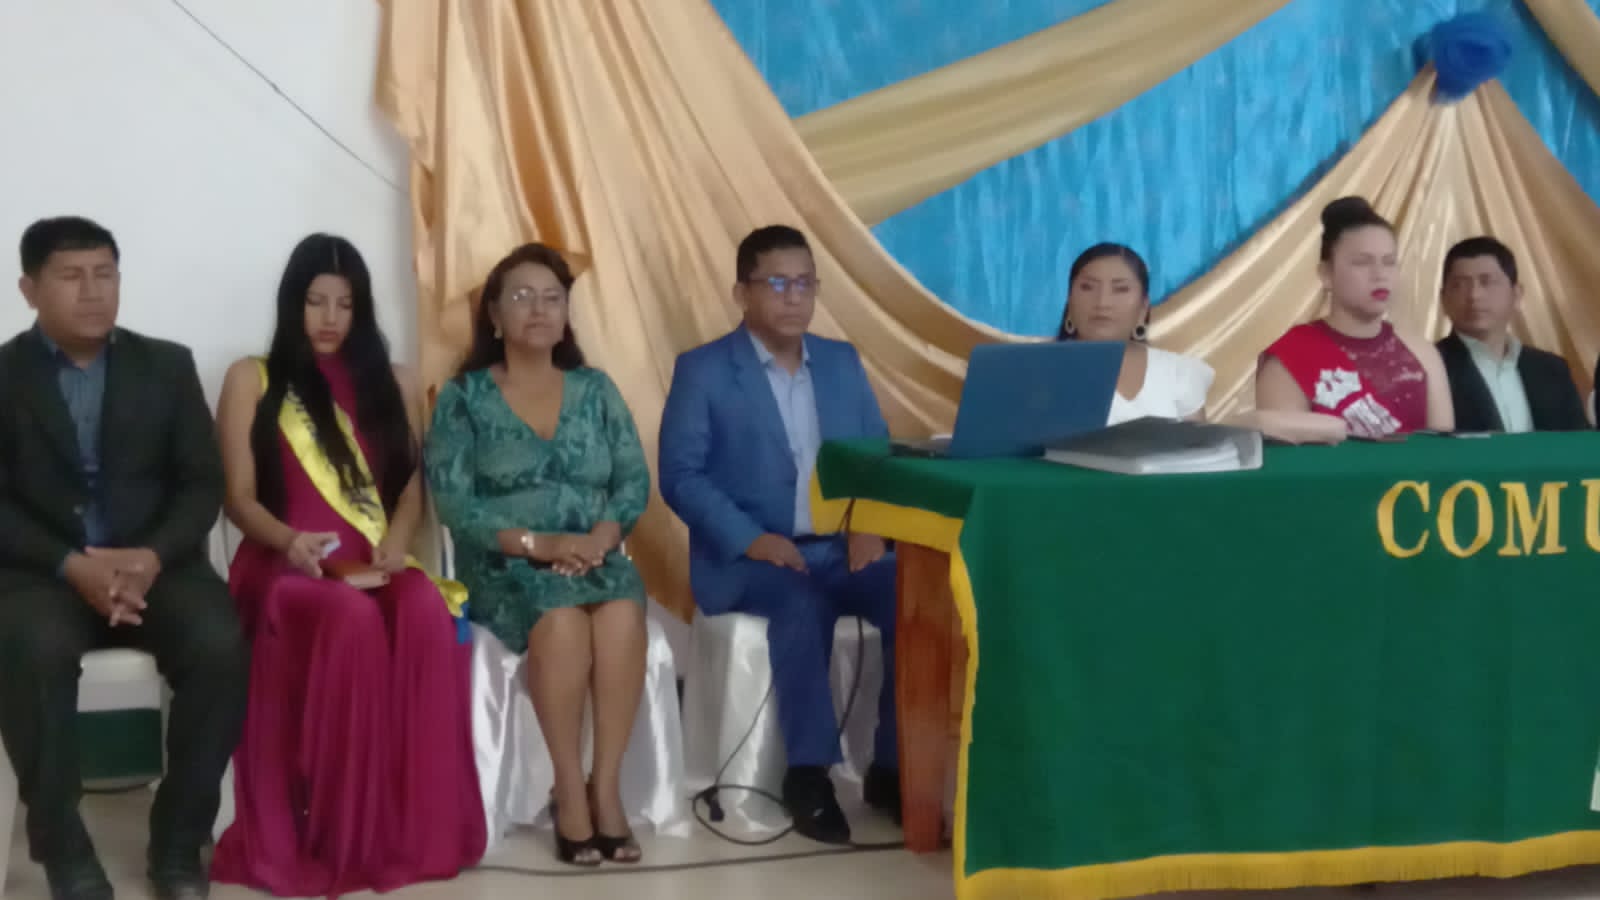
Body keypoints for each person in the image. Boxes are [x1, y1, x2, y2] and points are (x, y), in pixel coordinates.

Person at [209, 235, 485, 895]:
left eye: (345, 303)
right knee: (350, 618)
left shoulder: (393, 381)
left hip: (371, 563)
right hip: (283, 567)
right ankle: (337, 836)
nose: (330, 317)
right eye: (316, 301)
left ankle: (410, 831)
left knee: (424, 607)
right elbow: (237, 498)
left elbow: (410, 487)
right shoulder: (253, 378)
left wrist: (398, 540)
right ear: (292, 303)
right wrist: (290, 541)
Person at [0, 217, 247, 900]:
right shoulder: (4, 376)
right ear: (29, 289)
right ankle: (64, 849)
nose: (93, 291)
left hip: (155, 566)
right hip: (44, 573)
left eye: (104, 274)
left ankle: (178, 842)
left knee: (219, 645)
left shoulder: (166, 366)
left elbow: (201, 483)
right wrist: (70, 564)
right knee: (31, 649)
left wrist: (152, 556)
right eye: (71, 276)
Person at [658, 225, 900, 845]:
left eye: (805, 284)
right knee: (799, 601)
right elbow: (681, 476)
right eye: (777, 283)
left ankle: (894, 766)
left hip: (839, 547)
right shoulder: (704, 370)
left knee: (914, 592)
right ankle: (809, 774)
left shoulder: (841, 362)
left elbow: (876, 457)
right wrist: (752, 539)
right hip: (749, 557)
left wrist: (869, 526)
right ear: (742, 293)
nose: (794, 297)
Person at [426, 243, 650, 867]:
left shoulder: (595, 390)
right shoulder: (464, 398)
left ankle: (604, 789)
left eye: (552, 297)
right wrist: (539, 545)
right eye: (522, 297)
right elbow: (455, 504)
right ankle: (568, 793)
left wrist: (602, 538)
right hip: (505, 566)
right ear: (494, 316)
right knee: (560, 619)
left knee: (623, 612)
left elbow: (632, 480)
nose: (539, 309)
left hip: (595, 557)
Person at [1256, 196, 1453, 438]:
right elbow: (1289, 458)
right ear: (1326, 274)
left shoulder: (1422, 353)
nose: (1380, 274)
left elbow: (1444, 451)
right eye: (1362, 263)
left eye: (1389, 262)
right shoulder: (1291, 359)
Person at [1434, 236, 1587, 433]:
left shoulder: (1552, 370)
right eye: (1460, 285)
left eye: (1487, 282)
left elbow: (1577, 443)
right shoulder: (1432, 368)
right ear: (1443, 299)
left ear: (1516, 294)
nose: (1474, 295)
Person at [1056, 243, 1214, 422]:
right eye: (1088, 287)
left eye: (1120, 289)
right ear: (1069, 301)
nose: (1102, 302)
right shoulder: (1040, 373)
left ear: (1143, 308)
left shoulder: (1179, 373)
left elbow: (1197, 440)